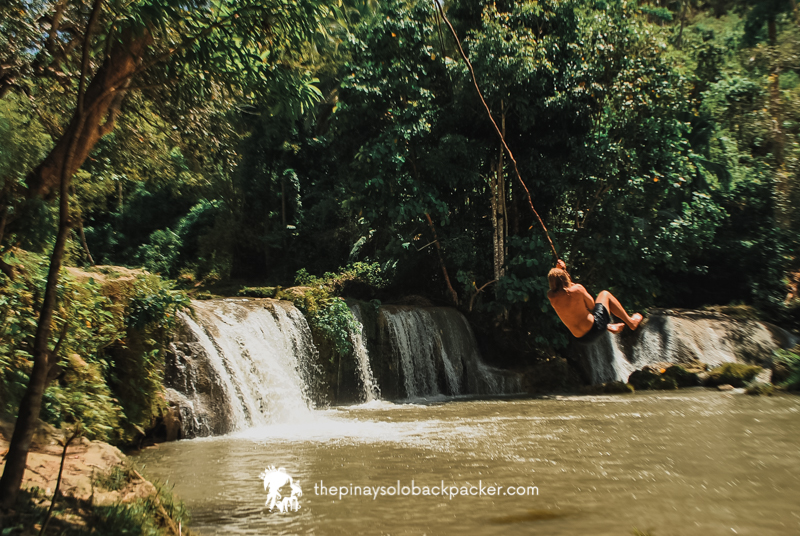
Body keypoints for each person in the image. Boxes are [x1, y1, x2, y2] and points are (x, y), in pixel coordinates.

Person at [547, 260, 642, 343]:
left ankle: (608, 326)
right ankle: (631, 323)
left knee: (581, 315)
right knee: (605, 294)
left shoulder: (551, 296)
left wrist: (560, 272)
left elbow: (563, 287)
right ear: (565, 278)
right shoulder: (578, 289)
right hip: (596, 327)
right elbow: (592, 306)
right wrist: (563, 270)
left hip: (581, 338)